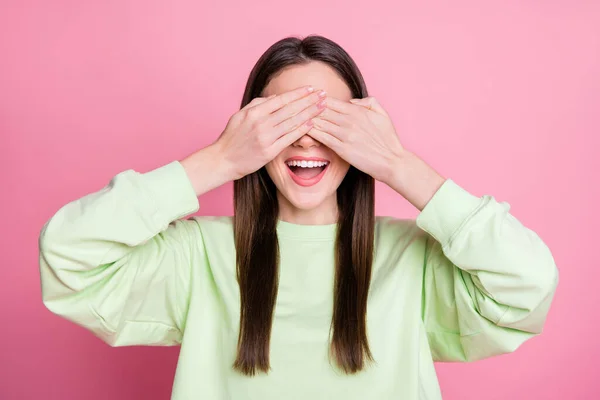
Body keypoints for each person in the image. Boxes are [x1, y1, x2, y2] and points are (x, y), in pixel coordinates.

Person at [38, 35, 559, 399]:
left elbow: (528, 286)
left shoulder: (411, 261)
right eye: (284, 119)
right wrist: (220, 159)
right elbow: (67, 256)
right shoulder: (197, 257)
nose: (307, 138)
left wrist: (399, 165)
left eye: (331, 120)